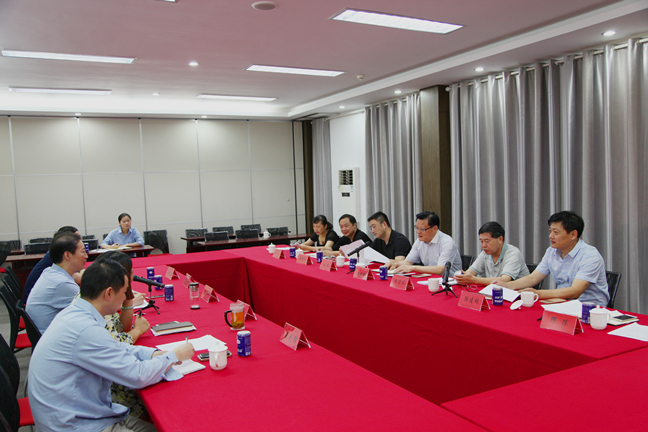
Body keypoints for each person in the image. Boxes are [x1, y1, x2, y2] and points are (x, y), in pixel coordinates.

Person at [28, 258, 195, 432]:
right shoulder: (86, 330)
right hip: (76, 425)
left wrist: (153, 354)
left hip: (80, 414)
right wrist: (174, 356)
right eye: (124, 292)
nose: (126, 297)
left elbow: (115, 346)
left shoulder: (76, 313)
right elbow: (137, 376)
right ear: (108, 293)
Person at [497, 211, 609, 306]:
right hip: (561, 303)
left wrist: (539, 294)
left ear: (573, 235)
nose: (550, 236)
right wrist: (507, 285)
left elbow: (575, 291)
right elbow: (532, 278)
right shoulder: (551, 251)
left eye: (556, 232)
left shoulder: (590, 256)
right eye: (550, 231)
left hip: (589, 309)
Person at [92, 251, 151, 419]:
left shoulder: (99, 295)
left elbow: (121, 329)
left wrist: (128, 299)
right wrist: (138, 330)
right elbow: (119, 343)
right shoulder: (99, 307)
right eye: (130, 272)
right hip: (105, 392)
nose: (133, 275)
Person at [26, 232, 88, 333]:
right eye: (83, 252)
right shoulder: (62, 284)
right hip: (52, 336)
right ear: (67, 255)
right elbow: (91, 311)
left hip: (47, 332)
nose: (86, 256)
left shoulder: (51, 271)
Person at [454, 221, 529, 285]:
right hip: (494, 291)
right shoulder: (485, 253)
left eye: (487, 241)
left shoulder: (513, 254)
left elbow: (504, 280)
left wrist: (474, 280)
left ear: (500, 239)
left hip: (518, 294)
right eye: (481, 241)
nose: (484, 245)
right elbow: (471, 272)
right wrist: (463, 276)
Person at [23, 225, 80, 303]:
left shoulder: (54, 255)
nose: (80, 241)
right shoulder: (57, 257)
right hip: (33, 299)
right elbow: (80, 279)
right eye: (77, 239)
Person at [392, 211, 461, 274]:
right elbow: (408, 262)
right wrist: (395, 264)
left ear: (435, 228)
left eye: (422, 229)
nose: (418, 232)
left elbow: (440, 270)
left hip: (450, 281)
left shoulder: (447, 242)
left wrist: (413, 268)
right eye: (417, 228)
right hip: (430, 279)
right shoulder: (419, 241)